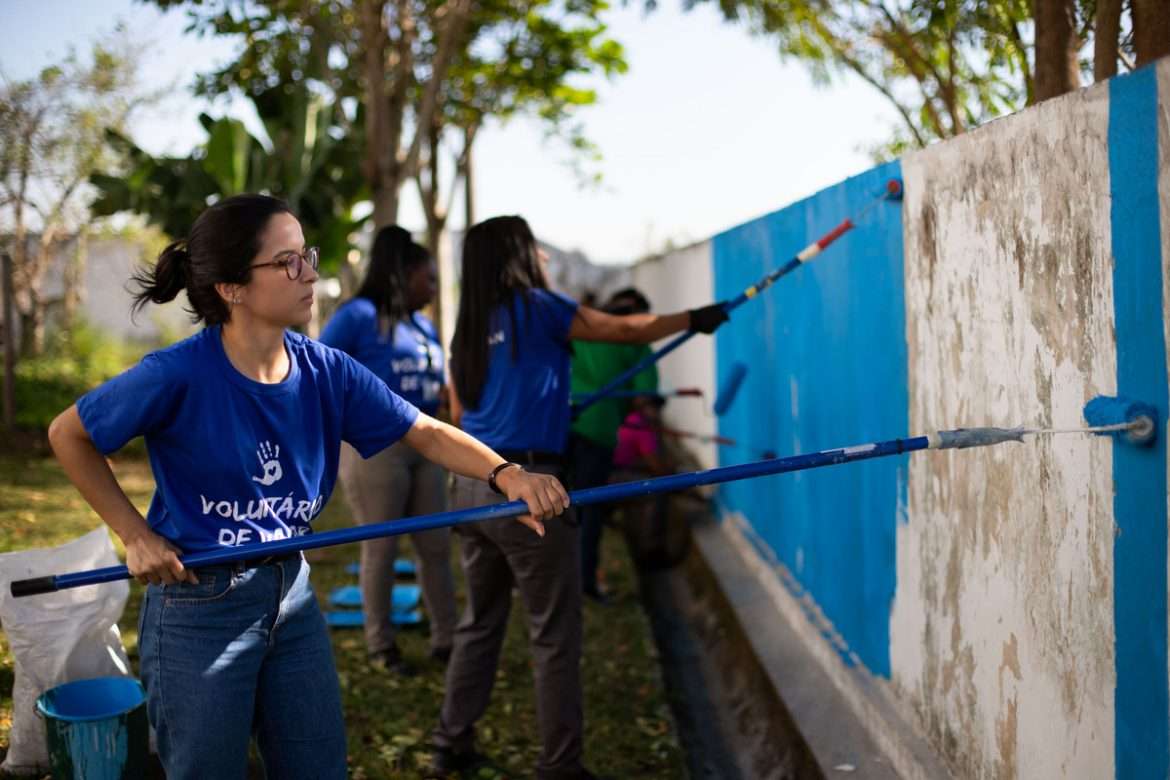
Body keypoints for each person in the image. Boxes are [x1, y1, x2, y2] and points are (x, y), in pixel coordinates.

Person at [45, 195, 570, 780]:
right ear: (232, 288)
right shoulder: (177, 374)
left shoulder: (326, 370)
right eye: (288, 262)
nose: (311, 273)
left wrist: (507, 474)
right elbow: (70, 434)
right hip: (198, 606)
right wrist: (135, 534)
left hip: (291, 594)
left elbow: (422, 430)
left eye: (308, 256)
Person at [430, 215, 728, 779]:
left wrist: (544, 409)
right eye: (533, 245)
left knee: (480, 621)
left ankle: (450, 741)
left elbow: (462, 417)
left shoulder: (467, 328)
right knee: (554, 634)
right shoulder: (540, 308)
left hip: (470, 488)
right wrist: (696, 318)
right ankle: (561, 766)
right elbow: (624, 330)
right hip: (528, 488)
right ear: (517, 254)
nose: (543, 254)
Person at [320, 225, 456, 673]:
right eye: (428, 278)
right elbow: (316, 369)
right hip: (376, 449)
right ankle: (382, 646)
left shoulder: (423, 325)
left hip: (428, 445)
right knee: (382, 548)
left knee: (436, 545)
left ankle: (447, 641)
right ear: (404, 274)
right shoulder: (358, 316)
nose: (434, 288)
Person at [568, 288, 658, 603]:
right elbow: (644, 402)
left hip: (557, 425)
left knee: (553, 506)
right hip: (597, 432)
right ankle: (585, 585)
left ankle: (544, 584)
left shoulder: (580, 327)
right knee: (589, 507)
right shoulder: (637, 340)